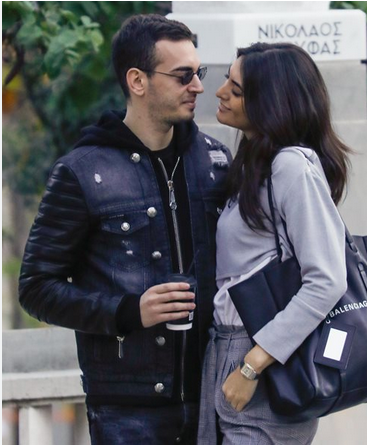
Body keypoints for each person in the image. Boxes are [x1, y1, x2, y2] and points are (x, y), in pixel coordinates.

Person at [19, 14, 231, 445]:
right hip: (127, 409)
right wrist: (128, 311)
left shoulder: (215, 161)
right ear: (137, 80)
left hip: (216, 397)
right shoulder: (83, 172)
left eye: (200, 73)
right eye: (183, 75)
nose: (198, 87)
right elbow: (36, 287)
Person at [198, 42, 351, 444]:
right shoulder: (255, 165)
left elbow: (327, 280)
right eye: (226, 81)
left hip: (263, 360)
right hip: (230, 348)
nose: (220, 92)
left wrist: (253, 364)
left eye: (236, 89)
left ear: (271, 101)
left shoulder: (291, 166)